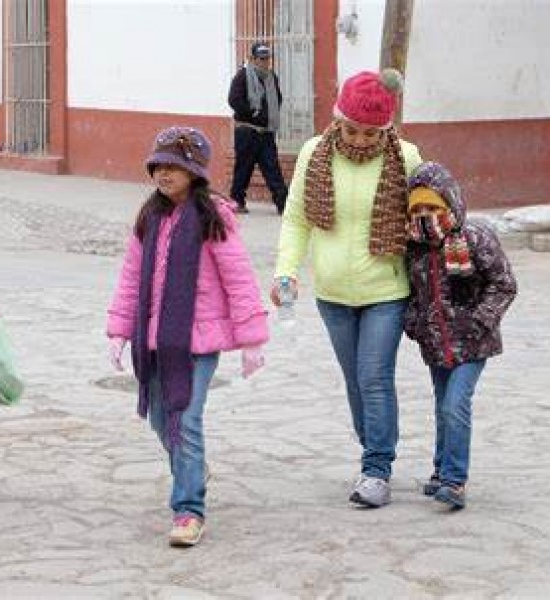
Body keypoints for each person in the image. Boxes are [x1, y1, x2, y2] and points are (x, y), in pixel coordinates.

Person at [107, 126, 269, 546]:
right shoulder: (149, 218)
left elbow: (238, 278)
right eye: (157, 166)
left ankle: (188, 509)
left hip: (198, 342)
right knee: (162, 419)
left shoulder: (214, 217)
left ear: (194, 171)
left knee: (187, 419)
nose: (163, 174)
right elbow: (130, 278)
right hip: (156, 339)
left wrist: (252, 338)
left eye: (173, 166)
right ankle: (192, 466)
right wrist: (120, 330)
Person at [271, 69, 422, 507]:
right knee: (355, 381)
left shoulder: (407, 157)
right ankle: (373, 445)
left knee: (374, 377)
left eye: (369, 132)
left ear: (386, 128)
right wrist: (287, 270)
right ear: (338, 120)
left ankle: (377, 468)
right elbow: (297, 217)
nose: (358, 139)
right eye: (351, 129)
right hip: (333, 291)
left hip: (386, 289)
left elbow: (426, 214)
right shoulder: (313, 153)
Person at [404, 162, 517, 510]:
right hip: (436, 345)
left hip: (473, 343)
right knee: (443, 407)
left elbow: (503, 284)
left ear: (450, 204)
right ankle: (440, 471)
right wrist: (415, 323)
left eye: (433, 208)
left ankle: (455, 480)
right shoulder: (416, 247)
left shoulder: (475, 238)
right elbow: (412, 293)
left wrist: (479, 322)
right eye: (418, 209)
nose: (426, 215)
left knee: (455, 405)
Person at [228, 41, 289, 215]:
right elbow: (234, 100)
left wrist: (269, 117)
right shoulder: (242, 76)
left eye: (267, 58)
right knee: (243, 168)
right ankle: (237, 201)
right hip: (247, 130)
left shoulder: (271, 77)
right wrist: (253, 113)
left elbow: (278, 99)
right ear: (252, 58)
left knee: (272, 168)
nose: (265, 62)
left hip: (266, 132)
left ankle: (283, 204)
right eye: (261, 58)